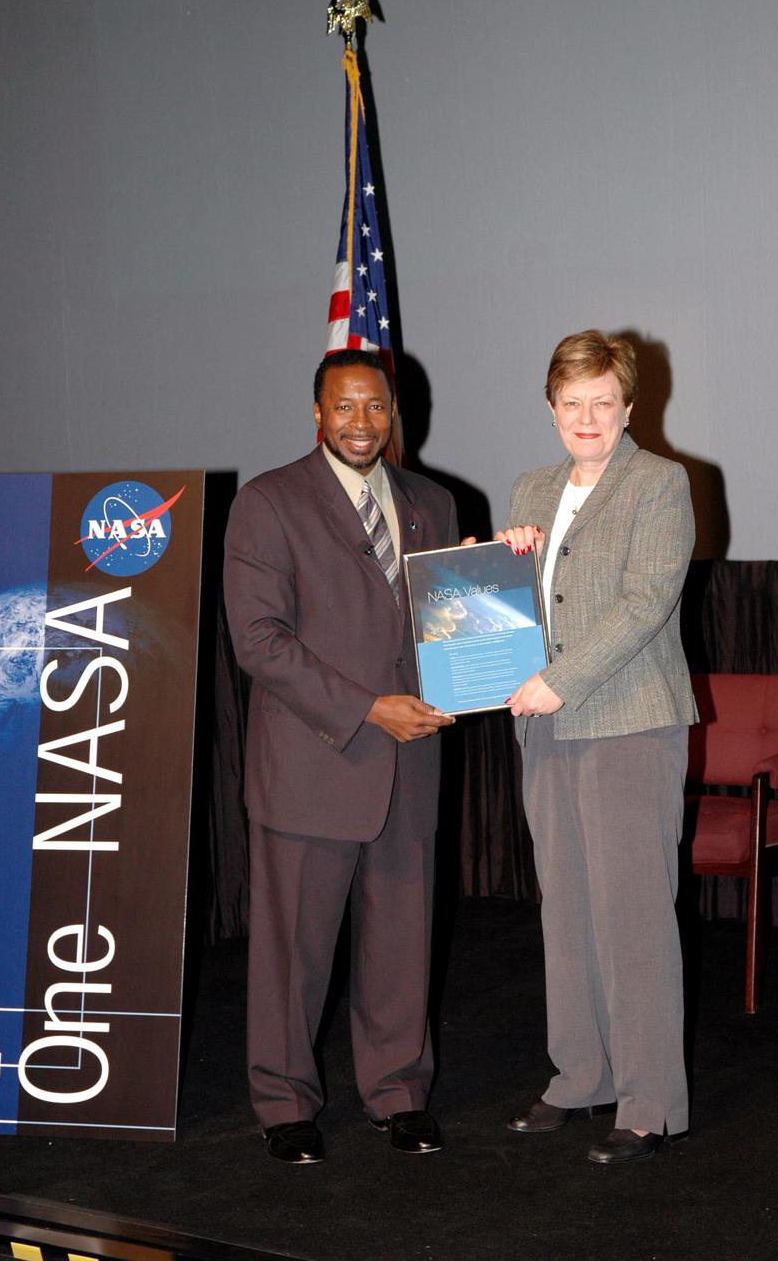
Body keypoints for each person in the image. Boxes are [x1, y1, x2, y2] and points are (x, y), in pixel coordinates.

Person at [224, 349, 458, 1164]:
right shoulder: (269, 502)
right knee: (293, 954)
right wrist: (366, 708)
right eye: (345, 407)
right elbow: (259, 639)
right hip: (313, 764)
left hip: (409, 764)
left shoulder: (432, 502)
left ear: (395, 413)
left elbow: (445, 624)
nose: (362, 423)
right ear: (318, 415)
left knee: (401, 947)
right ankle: (284, 1103)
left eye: (376, 407)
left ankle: (398, 1094)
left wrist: (481, 629)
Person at [497, 329, 696, 1165]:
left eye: (602, 402)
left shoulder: (659, 484)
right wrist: (490, 571)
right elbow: (517, 606)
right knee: (568, 908)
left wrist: (560, 679)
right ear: (551, 408)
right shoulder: (531, 488)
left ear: (627, 407)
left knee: (631, 916)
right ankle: (581, 1076)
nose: (587, 417)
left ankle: (648, 1102)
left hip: (628, 723)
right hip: (545, 725)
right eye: (571, 402)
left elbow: (644, 603)